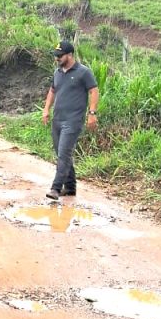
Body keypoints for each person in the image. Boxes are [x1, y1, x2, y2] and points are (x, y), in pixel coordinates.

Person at [41, 40, 99, 201]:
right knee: (61, 154)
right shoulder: (57, 72)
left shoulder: (83, 72)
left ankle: (55, 188)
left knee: (64, 154)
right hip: (57, 119)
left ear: (70, 55)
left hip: (73, 121)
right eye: (56, 56)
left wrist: (92, 113)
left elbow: (94, 91)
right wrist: (46, 110)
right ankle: (71, 187)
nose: (57, 59)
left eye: (60, 56)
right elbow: (52, 91)